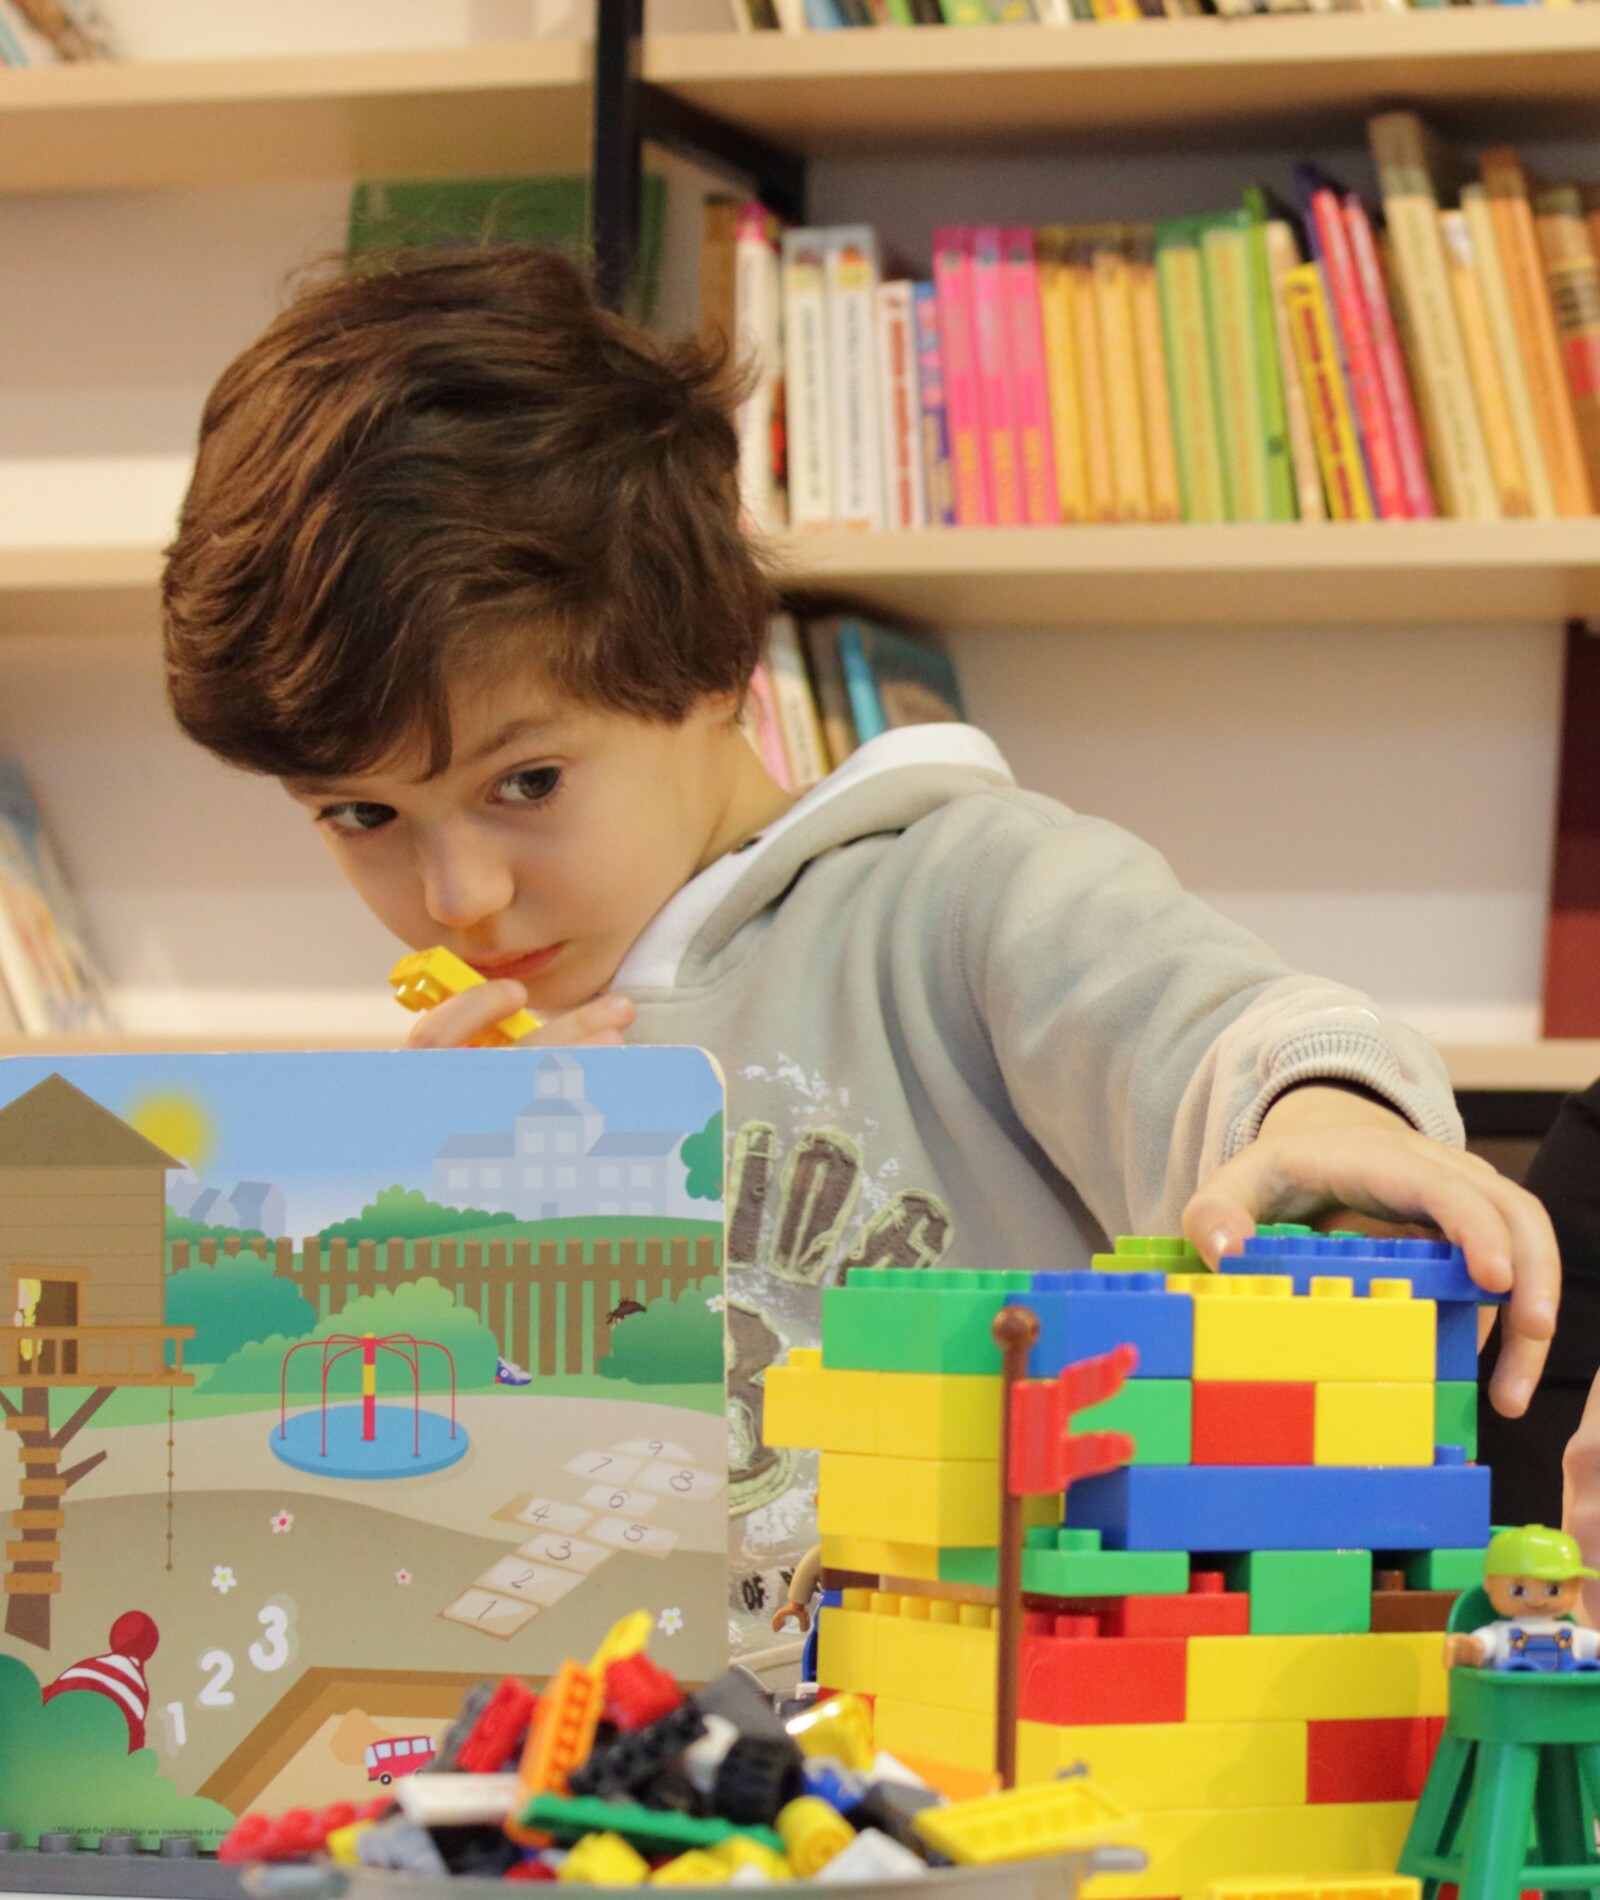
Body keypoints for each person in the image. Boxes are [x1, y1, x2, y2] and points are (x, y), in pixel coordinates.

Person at [159, 245, 1560, 1651]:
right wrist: (414, 1225)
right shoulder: (477, 1072)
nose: (456, 896)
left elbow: (1223, 1032)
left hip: (994, 1767)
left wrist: (1325, 1104)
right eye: (362, 815)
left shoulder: (956, 893)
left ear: (715, 669)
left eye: (526, 783)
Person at [1443, 1524, 1600, 1673]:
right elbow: (1483, 1644)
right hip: (1516, 1696)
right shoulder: (1500, 1632)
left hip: (1567, 1695)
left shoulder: (1571, 1632)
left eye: (1553, 1590)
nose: (1537, 1600)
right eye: (1518, 1590)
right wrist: (1472, 1648)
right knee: (1516, 1667)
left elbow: (1592, 1644)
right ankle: (1521, 1669)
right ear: (1489, 1584)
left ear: (1578, 1585)